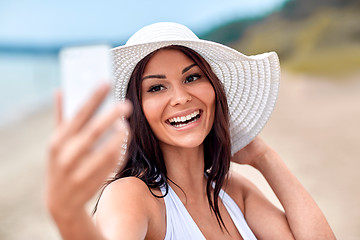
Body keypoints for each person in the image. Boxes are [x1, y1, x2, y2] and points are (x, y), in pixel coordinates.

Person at [45, 22, 335, 239]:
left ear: (214, 90)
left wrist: (264, 157)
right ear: (136, 110)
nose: (181, 98)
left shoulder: (233, 191)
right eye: (156, 87)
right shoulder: (133, 195)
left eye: (192, 77)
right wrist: (68, 215)